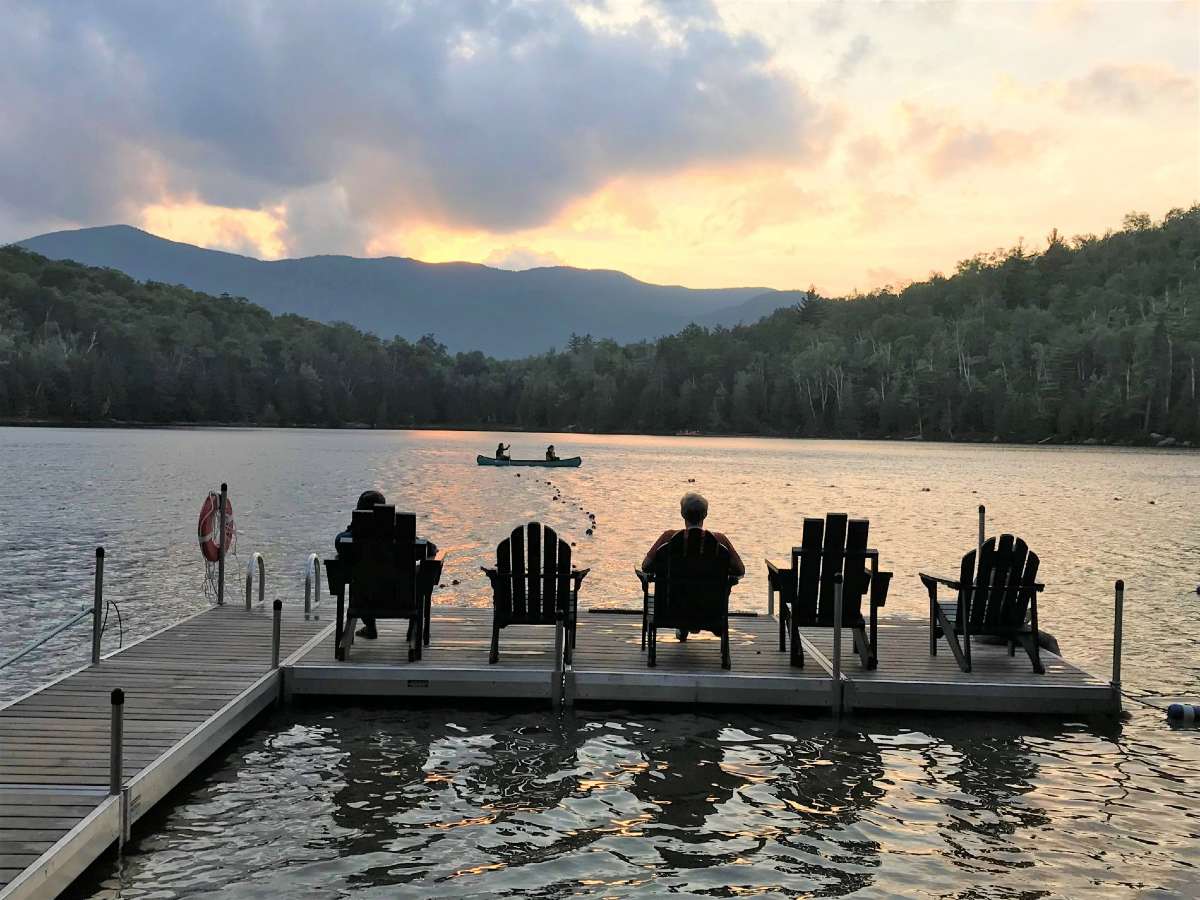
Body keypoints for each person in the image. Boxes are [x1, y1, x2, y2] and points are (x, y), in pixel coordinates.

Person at [334, 489, 438, 640]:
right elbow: (430, 548)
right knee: (417, 572)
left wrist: (353, 528)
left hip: (364, 600)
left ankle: (370, 626)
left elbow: (338, 542)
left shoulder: (351, 539)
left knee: (362, 575)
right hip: (401, 598)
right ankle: (414, 627)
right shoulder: (403, 537)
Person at [642, 492, 745, 577]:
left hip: (673, 600)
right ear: (705, 515)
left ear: (682, 514)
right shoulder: (719, 540)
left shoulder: (668, 537)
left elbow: (646, 566)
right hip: (710, 601)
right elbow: (740, 570)